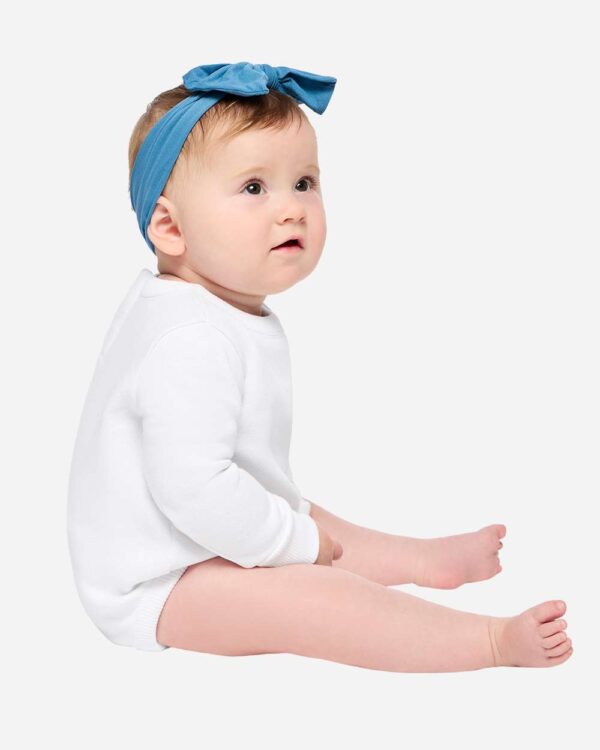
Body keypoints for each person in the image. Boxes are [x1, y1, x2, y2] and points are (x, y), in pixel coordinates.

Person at [66, 62, 573, 672]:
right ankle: (488, 642)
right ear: (171, 227)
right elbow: (194, 490)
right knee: (315, 597)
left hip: (200, 533)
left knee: (299, 512)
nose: (292, 209)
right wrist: (296, 544)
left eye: (303, 182)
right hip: (157, 584)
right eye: (254, 188)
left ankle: (418, 560)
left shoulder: (207, 307)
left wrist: (297, 531)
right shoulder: (189, 339)